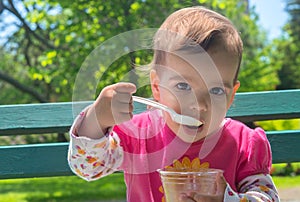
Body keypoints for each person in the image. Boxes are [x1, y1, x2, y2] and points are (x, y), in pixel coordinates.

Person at [68, 6, 280, 202]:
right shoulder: (138, 135)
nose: (199, 105)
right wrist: (97, 119)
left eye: (216, 90)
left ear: (231, 96)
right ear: (157, 88)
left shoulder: (243, 143)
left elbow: (267, 196)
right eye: (183, 86)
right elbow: (88, 168)